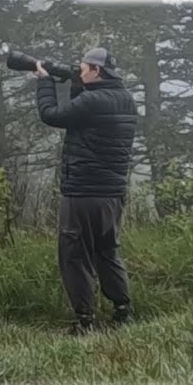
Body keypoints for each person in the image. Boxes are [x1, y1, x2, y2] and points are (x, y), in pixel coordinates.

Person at [34, 47, 138, 334]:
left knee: (75, 254)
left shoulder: (93, 101)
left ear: (95, 70)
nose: (79, 70)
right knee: (107, 251)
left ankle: (84, 321)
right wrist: (77, 85)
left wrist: (44, 80)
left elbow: (52, 115)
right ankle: (123, 311)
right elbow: (83, 115)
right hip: (112, 194)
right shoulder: (125, 100)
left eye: (82, 68)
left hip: (82, 193)